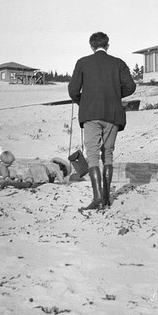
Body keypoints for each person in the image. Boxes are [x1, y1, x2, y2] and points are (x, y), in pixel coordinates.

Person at [68, 31, 137, 210]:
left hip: (91, 113)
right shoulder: (118, 63)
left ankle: (98, 197)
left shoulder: (83, 62)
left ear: (91, 46)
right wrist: (113, 94)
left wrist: (84, 100)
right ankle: (106, 198)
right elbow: (131, 86)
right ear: (107, 45)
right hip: (113, 113)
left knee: (92, 154)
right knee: (108, 153)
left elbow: (73, 90)